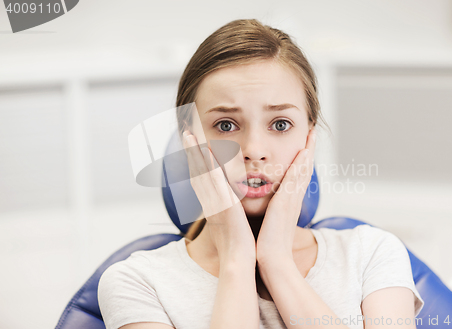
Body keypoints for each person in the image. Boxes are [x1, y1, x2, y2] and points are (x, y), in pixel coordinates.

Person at [97, 18, 424, 329]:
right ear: (188, 138)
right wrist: (237, 260)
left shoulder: (372, 252)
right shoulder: (136, 282)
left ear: (310, 133)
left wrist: (277, 263)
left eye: (280, 124)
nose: (254, 149)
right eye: (225, 125)